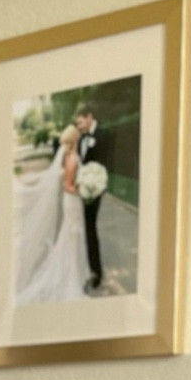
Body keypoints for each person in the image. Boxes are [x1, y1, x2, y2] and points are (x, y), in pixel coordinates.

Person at [13, 121, 90, 306]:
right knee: (72, 236)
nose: (79, 137)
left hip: (69, 200)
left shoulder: (68, 155)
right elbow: (68, 185)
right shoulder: (72, 158)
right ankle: (69, 276)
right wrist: (85, 189)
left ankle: (73, 273)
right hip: (72, 200)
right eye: (77, 136)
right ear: (75, 139)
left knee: (71, 235)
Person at [74, 107, 106, 291]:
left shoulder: (103, 135)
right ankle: (88, 267)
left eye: (81, 122)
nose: (79, 126)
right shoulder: (81, 138)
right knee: (85, 229)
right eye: (77, 123)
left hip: (95, 190)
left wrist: (98, 187)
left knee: (90, 228)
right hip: (83, 189)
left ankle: (96, 272)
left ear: (90, 117)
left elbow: (105, 164)